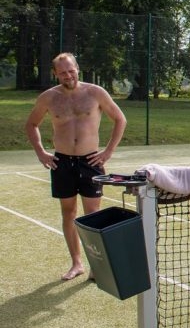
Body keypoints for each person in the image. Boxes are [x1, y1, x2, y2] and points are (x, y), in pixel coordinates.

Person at [25, 52, 127, 281]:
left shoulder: (95, 93)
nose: (68, 75)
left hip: (90, 161)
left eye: (71, 70)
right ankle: (76, 263)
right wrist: (41, 152)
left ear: (77, 68)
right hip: (62, 162)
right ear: (55, 74)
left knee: (92, 215)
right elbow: (31, 124)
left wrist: (108, 151)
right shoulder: (48, 98)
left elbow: (120, 119)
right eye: (62, 72)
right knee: (68, 213)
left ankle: (96, 267)